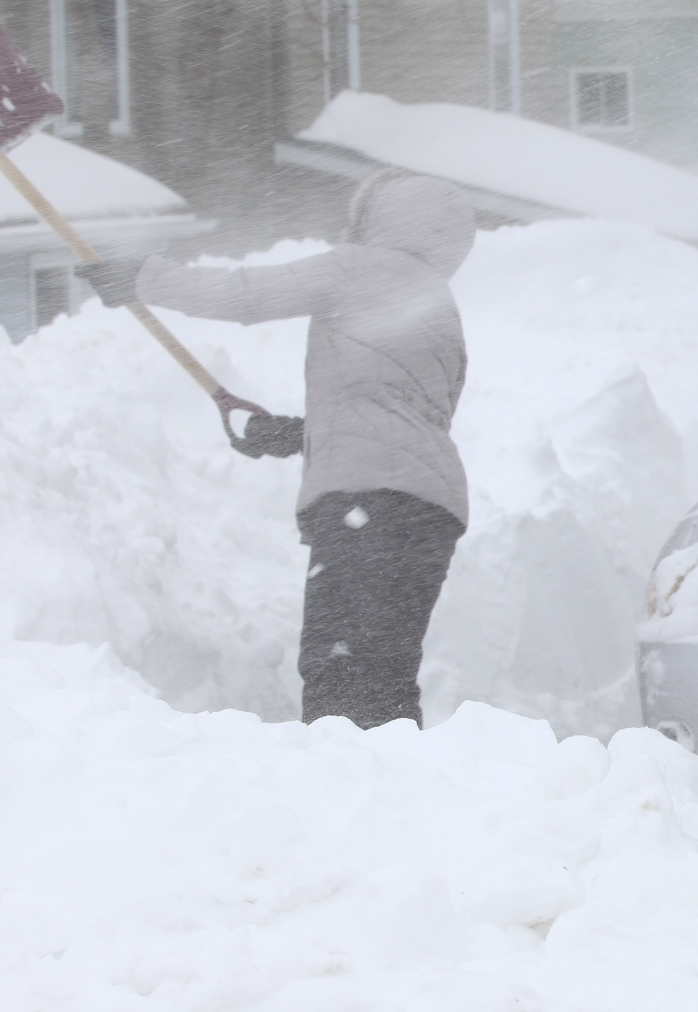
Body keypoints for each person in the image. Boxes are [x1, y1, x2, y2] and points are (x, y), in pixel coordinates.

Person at [78, 171, 477, 729]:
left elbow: (244, 294)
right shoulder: (440, 305)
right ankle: (393, 795)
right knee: (384, 671)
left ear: (379, 218)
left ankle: (347, 791)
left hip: (370, 505)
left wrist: (142, 278)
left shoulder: (357, 267)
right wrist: (294, 434)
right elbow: (397, 415)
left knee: (339, 670)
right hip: (428, 513)